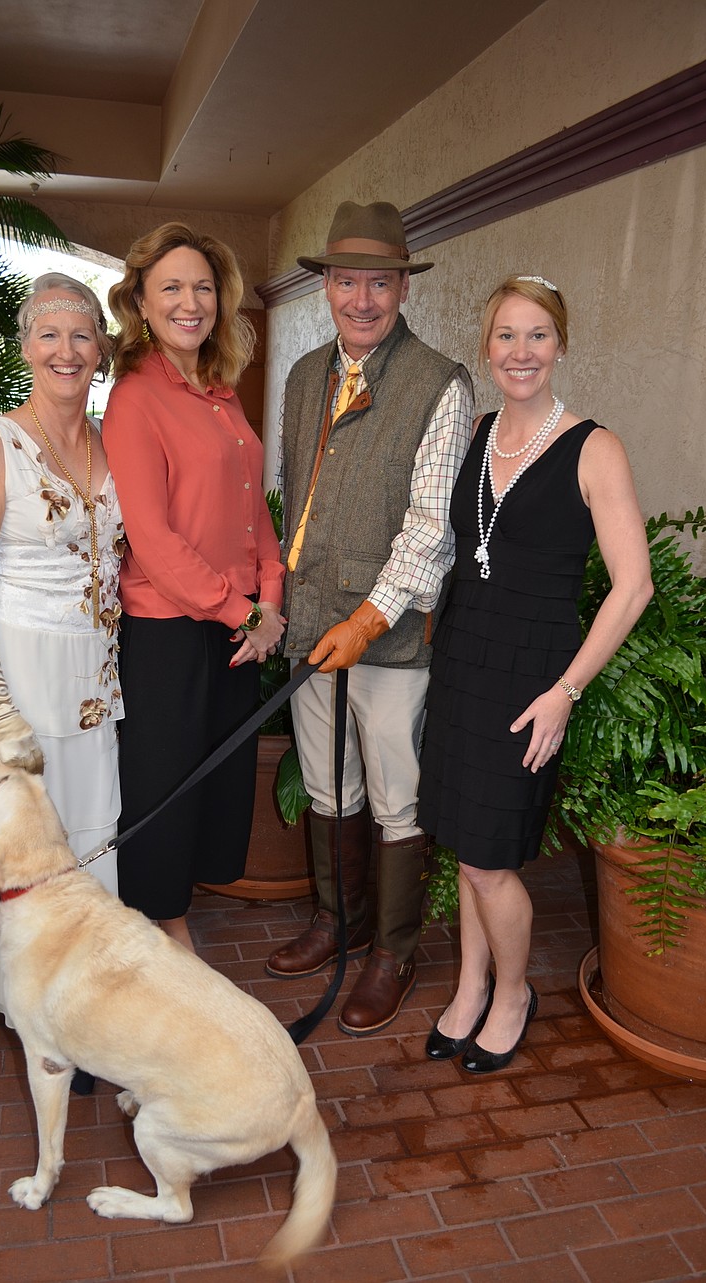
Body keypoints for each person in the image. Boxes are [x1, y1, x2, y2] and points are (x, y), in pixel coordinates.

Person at [418, 274, 653, 1073]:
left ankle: (513, 992)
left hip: (532, 678)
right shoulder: (482, 429)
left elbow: (635, 586)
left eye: (537, 335)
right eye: (506, 336)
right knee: (464, 841)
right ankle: (471, 982)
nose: (521, 351)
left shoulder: (595, 447)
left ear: (560, 343)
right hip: (463, 659)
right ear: (488, 346)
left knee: (490, 856)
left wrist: (566, 690)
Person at [265, 201, 474, 1036]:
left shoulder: (441, 383)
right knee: (326, 780)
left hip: (389, 638)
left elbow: (432, 528)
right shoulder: (305, 373)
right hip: (311, 618)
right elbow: (296, 507)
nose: (361, 298)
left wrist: (372, 615)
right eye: (346, 281)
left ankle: (391, 950)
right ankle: (335, 919)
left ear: (401, 287)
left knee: (395, 795)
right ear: (326, 286)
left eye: (378, 282)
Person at [0, 273, 124, 1027]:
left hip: (94, 678)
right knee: (24, 846)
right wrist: (0, 714)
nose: (66, 349)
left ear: (100, 352)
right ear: (25, 348)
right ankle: (27, 1000)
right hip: (18, 677)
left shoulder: (113, 441)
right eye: (49, 334)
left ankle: (79, 994)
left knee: (86, 834)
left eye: (81, 334)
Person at [103, 222, 285, 954]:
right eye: (171, 287)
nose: (190, 301)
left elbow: (252, 508)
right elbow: (151, 541)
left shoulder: (220, 390)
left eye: (203, 287)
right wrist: (241, 607)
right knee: (164, 790)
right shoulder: (136, 399)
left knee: (215, 784)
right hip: (169, 630)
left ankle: (174, 921)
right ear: (141, 303)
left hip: (236, 626)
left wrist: (269, 598)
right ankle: (166, 931)